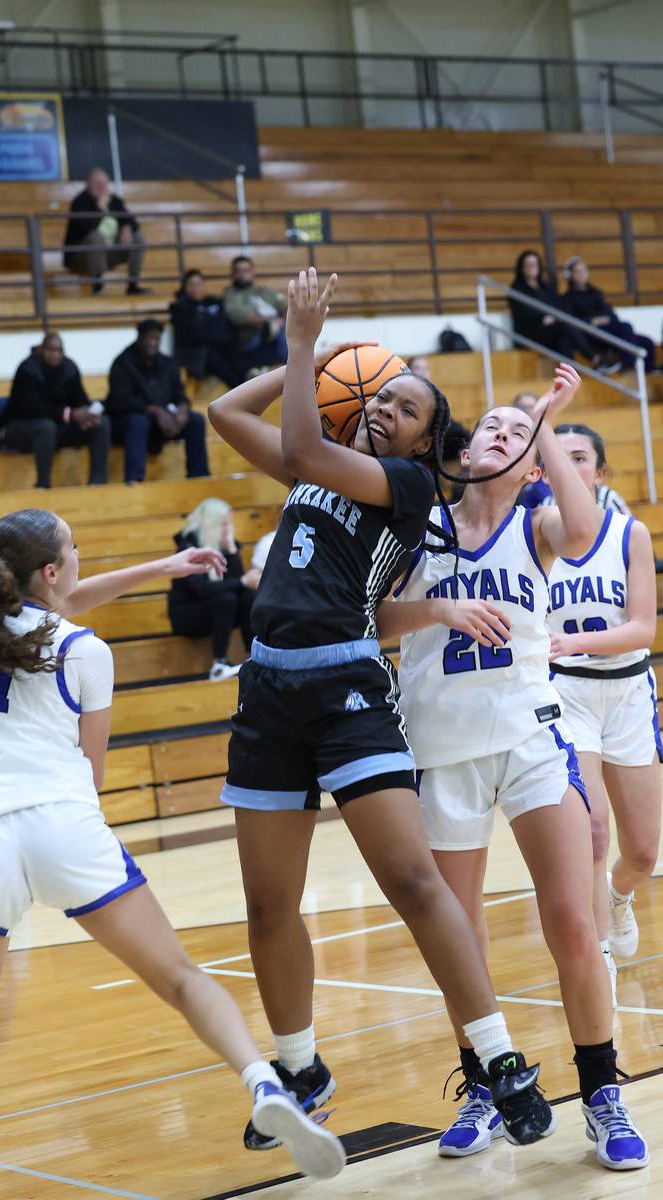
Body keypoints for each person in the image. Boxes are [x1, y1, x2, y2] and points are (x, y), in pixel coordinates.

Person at [209, 267, 554, 1155]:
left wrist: (296, 345)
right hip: (269, 692)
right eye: (376, 396)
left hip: (349, 691)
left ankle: (499, 1056)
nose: (380, 408)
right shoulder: (323, 453)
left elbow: (297, 451)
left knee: (410, 880)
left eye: (401, 406)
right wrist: (325, 357)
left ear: (428, 439)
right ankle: (300, 1071)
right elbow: (223, 417)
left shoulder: (402, 488)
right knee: (266, 904)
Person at [0, 508, 345, 1199]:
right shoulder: (87, 650)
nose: (83, 558)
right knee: (181, 978)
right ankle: (263, 1082)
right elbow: (90, 773)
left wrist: (160, 570)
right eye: (75, 547)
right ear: (53, 571)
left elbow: (49, 607)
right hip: (64, 827)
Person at [383, 369, 649, 1170]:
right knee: (457, 939)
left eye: (515, 433)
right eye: (490, 426)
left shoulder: (539, 523)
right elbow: (376, 615)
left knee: (573, 921)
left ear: (533, 463)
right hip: (440, 751)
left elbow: (582, 525)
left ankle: (603, 1091)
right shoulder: (419, 526)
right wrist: (439, 609)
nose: (499, 433)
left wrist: (544, 422)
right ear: (463, 450)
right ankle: (483, 1087)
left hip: (533, 742)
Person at [546, 425, 661, 1006]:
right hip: (568, 697)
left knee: (643, 849)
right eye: (558, 457)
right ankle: (602, 957)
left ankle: (619, 897)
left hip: (628, 695)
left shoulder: (627, 533)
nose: (569, 466)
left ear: (600, 472)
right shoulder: (536, 535)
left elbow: (644, 627)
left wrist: (579, 643)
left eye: (581, 457)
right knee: (591, 833)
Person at [105, 319, 209, 484]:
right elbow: (119, 402)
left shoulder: (168, 363)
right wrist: (154, 410)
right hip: (127, 423)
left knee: (196, 420)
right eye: (148, 338)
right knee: (138, 422)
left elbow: (179, 394)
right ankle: (134, 479)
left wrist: (182, 409)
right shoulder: (122, 363)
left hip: (164, 422)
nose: (152, 343)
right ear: (139, 338)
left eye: (156, 339)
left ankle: (199, 476)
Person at [2, 333, 110, 490]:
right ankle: (43, 485)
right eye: (50, 350)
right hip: (21, 428)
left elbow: (80, 399)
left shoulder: (69, 368)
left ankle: (97, 483)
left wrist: (87, 415)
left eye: (59, 350)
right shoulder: (27, 369)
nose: (55, 354)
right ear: (41, 350)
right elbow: (30, 408)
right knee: (46, 427)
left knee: (102, 424)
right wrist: (69, 414)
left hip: (57, 428)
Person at [168, 499, 255, 681]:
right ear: (210, 524)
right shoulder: (187, 547)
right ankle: (219, 663)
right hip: (187, 614)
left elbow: (240, 585)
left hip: (218, 610)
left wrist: (231, 550)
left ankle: (253, 657)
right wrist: (241, 581)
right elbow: (201, 588)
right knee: (227, 598)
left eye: (229, 524)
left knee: (246, 596)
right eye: (223, 524)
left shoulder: (224, 544)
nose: (228, 529)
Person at [562, 257, 656, 375]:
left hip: (609, 330)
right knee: (625, 327)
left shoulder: (596, 293)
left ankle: (649, 373)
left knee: (647, 342)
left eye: (584, 271)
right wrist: (592, 321)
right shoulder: (568, 298)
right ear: (570, 275)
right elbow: (572, 322)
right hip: (592, 334)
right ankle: (628, 365)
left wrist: (606, 319)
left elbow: (612, 315)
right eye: (577, 272)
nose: (581, 274)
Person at [63, 167, 146, 295]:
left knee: (138, 238)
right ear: (88, 185)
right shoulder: (79, 202)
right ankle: (98, 286)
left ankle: (133, 285)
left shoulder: (114, 201)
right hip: (81, 257)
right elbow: (88, 228)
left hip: (108, 254)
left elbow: (132, 221)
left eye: (104, 183)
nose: (101, 186)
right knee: (95, 237)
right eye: (97, 183)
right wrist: (100, 209)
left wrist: (127, 227)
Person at [509, 251, 595, 365]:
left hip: (551, 330)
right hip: (530, 333)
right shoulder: (516, 289)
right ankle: (594, 358)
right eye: (528, 265)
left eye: (534, 264)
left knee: (564, 340)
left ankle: (568, 377)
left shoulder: (545, 287)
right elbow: (523, 314)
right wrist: (543, 318)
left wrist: (552, 318)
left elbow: (559, 305)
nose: (531, 268)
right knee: (565, 327)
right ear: (521, 267)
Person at [170, 269, 243, 390]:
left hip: (220, 346)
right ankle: (237, 390)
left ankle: (246, 389)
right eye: (191, 285)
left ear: (203, 285)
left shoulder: (213, 302)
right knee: (215, 357)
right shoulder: (179, 307)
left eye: (198, 284)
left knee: (235, 353)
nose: (195, 288)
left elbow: (226, 326)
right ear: (184, 287)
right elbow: (189, 335)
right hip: (196, 353)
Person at [539, 424, 631, 515]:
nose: (567, 467)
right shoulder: (543, 510)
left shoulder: (610, 502)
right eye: (558, 458)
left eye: (579, 459)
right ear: (545, 473)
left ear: (600, 473)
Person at [223, 255, 288, 373]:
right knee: (282, 331)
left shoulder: (264, 292)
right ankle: (296, 370)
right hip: (251, 340)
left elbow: (286, 308)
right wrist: (270, 321)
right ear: (233, 274)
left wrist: (281, 320)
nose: (242, 274)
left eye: (246, 270)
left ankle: (295, 369)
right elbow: (238, 316)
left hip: (275, 333)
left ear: (252, 272)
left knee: (291, 327)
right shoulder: (231, 296)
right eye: (238, 271)